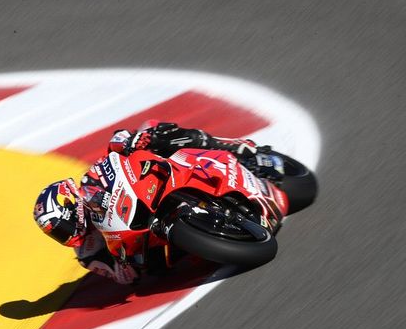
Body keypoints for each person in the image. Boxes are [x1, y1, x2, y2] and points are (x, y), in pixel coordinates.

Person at [33, 121, 269, 285]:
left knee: (155, 132)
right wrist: (122, 264)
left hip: (144, 198)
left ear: (71, 205)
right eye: (57, 234)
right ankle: (212, 230)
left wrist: (127, 141)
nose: (66, 236)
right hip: (150, 245)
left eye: (62, 228)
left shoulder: (90, 184)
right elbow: (124, 277)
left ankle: (230, 146)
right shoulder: (86, 253)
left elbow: (113, 158)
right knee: (155, 272)